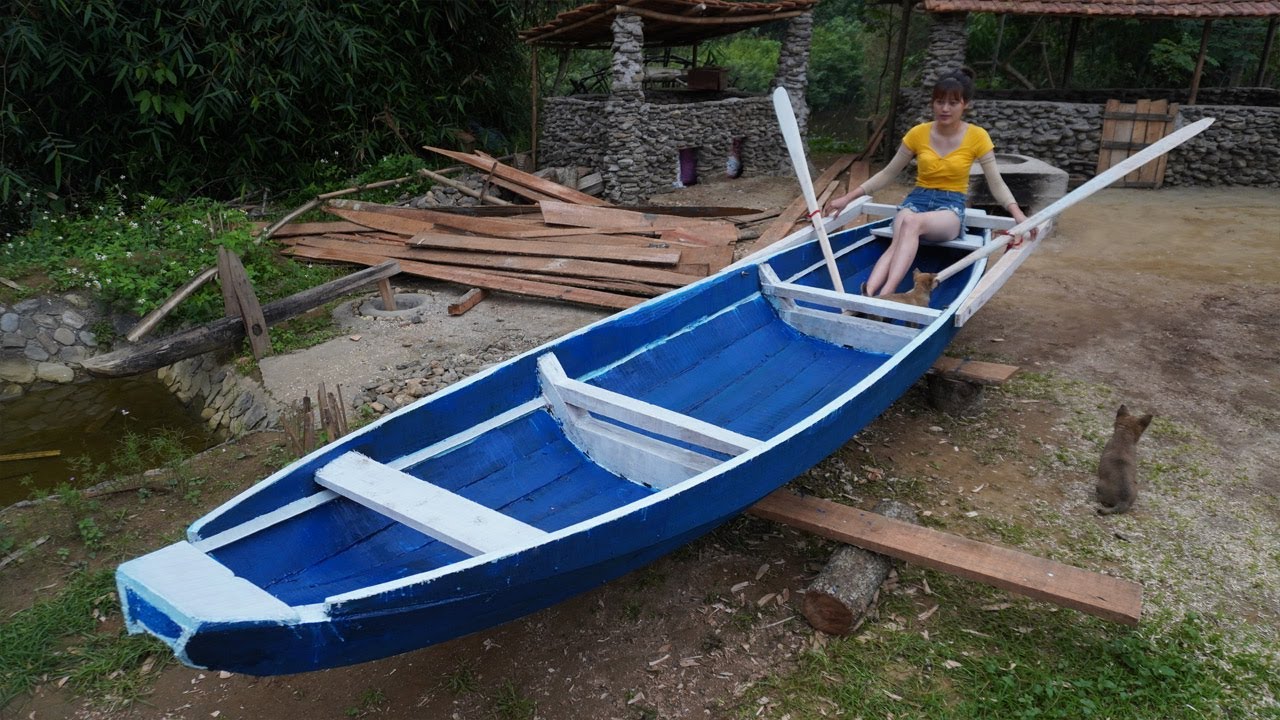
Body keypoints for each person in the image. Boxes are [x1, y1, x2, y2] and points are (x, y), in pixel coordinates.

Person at [824, 68, 1035, 298]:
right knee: (902, 231)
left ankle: (886, 296)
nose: (945, 109)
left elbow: (996, 183)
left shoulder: (978, 136)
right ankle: (869, 292)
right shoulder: (918, 133)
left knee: (911, 223)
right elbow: (888, 173)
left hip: (950, 207)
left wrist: (1018, 215)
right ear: (932, 103)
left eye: (953, 103)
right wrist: (847, 198)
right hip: (917, 200)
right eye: (939, 102)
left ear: (965, 104)